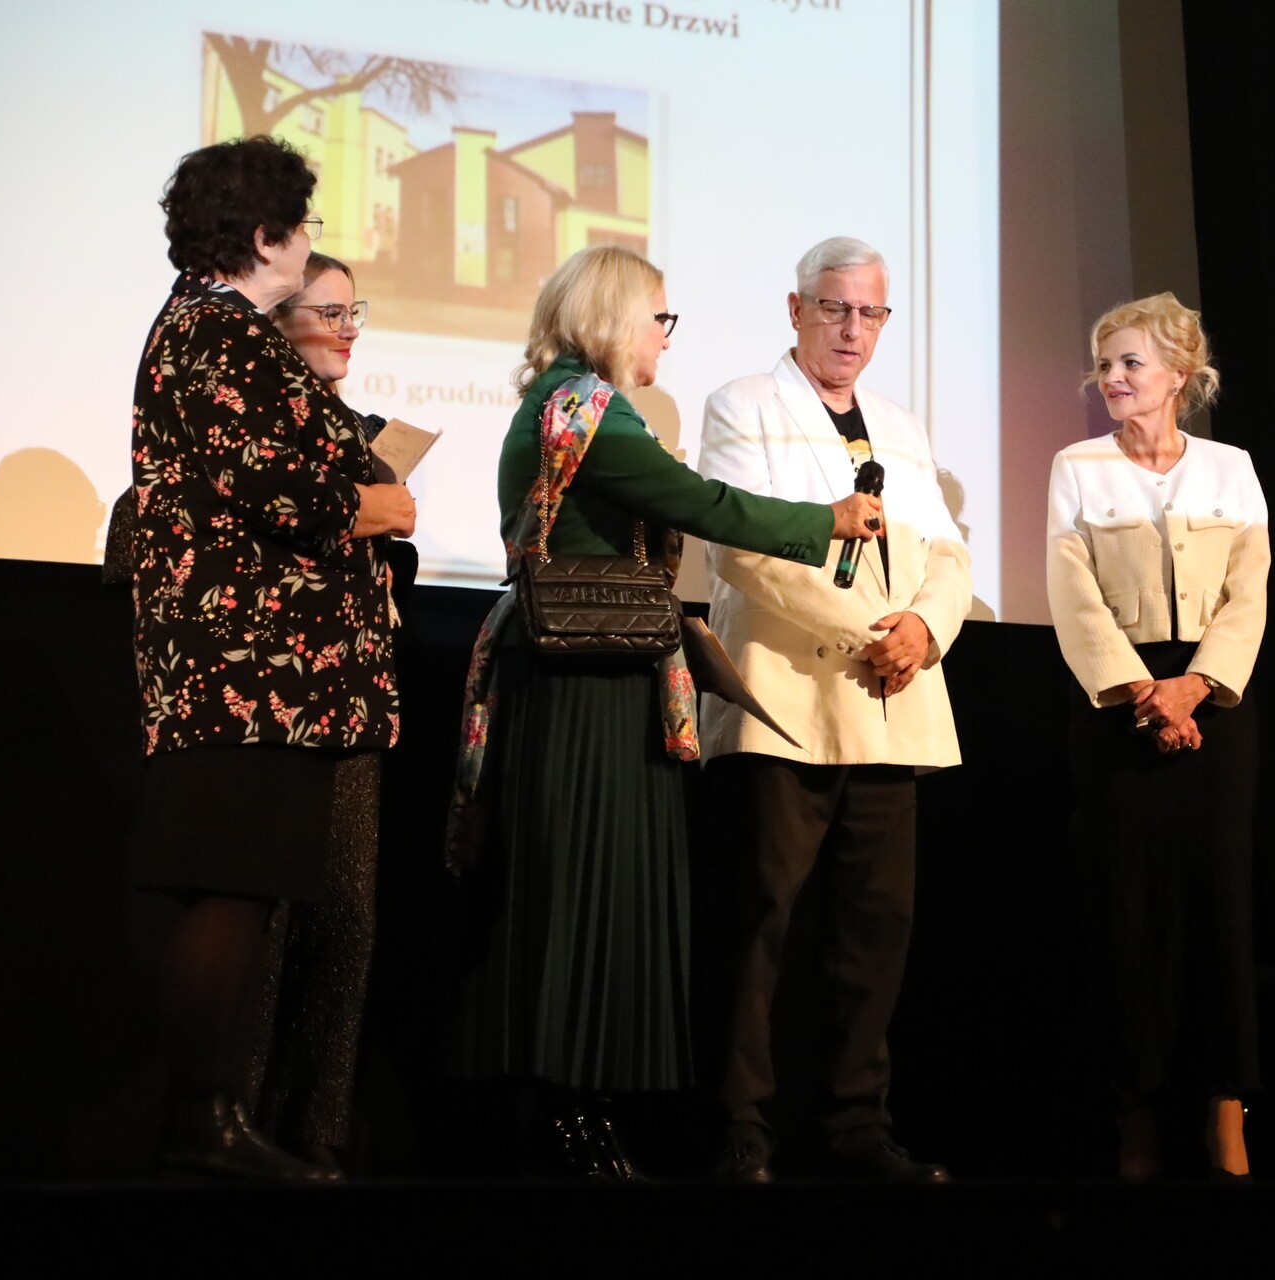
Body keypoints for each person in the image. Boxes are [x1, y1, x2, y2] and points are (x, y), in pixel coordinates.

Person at [449, 246, 881, 1179]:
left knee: (579, 891)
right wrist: (825, 522)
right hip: (586, 686)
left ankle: (573, 1115)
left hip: (584, 674)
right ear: (613, 317)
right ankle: (569, 1120)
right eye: (659, 319)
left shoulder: (559, 402)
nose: (665, 338)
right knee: (584, 892)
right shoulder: (590, 410)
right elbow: (700, 502)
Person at [130, 136, 417, 1180]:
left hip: (246, 667)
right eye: (301, 227)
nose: (307, 244)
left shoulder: (202, 328)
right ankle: (202, 1124)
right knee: (230, 886)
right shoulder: (223, 333)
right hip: (248, 667)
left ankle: (207, 1121)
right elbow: (270, 483)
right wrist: (372, 503)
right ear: (263, 236)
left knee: (235, 884)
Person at [697, 236, 972, 1183]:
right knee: (760, 925)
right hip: (787, 700)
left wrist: (925, 630)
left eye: (870, 313)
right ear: (796, 309)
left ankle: (857, 1128)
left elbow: (947, 554)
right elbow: (743, 551)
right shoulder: (741, 404)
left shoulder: (900, 424)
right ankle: (742, 1127)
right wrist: (872, 632)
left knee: (874, 931)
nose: (853, 329)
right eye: (834, 308)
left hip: (895, 701)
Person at [1044, 292, 1269, 1180]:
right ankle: (1134, 1114)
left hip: (1215, 703)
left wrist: (1195, 688)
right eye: (1105, 364)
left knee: (1220, 903)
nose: (1113, 378)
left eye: (1131, 362)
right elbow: (1071, 594)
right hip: (1119, 706)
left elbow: (1249, 591)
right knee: (1126, 910)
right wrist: (1144, 692)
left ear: (1180, 373)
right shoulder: (1077, 466)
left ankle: (1225, 1113)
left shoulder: (1231, 467)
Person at [237, 253, 385, 1174]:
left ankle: (318, 1136)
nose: (348, 329)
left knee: (345, 932)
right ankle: (235, 1128)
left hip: (355, 708)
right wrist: (355, 513)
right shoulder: (243, 425)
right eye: (329, 312)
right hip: (272, 715)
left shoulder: (356, 440)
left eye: (354, 311)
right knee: (264, 932)